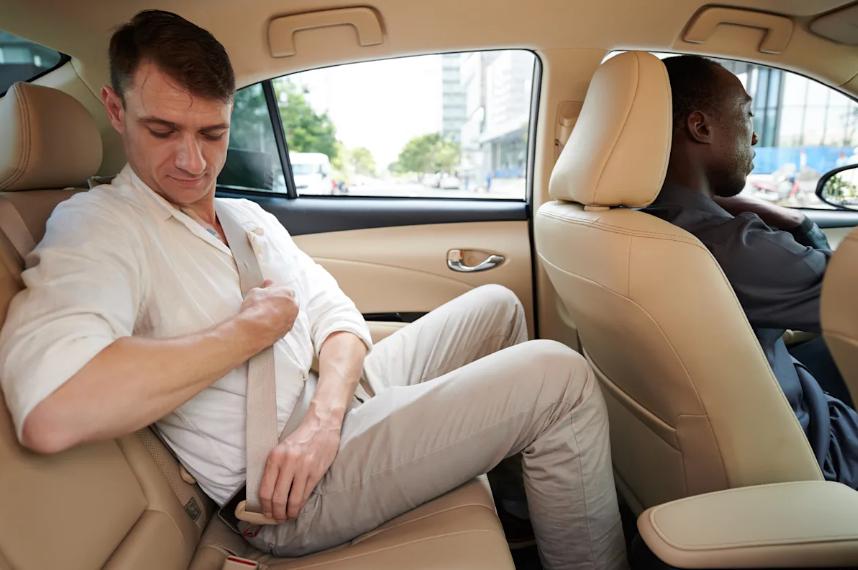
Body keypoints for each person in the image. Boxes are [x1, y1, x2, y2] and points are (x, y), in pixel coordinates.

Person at [0, 10, 627, 569]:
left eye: (212, 133)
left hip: (331, 414)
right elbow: (53, 405)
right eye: (163, 131)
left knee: (498, 306)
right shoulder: (99, 226)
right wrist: (246, 332)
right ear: (115, 110)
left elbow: (338, 317)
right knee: (560, 377)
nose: (193, 162)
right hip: (288, 491)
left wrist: (325, 420)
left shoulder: (246, 217)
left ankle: (529, 511)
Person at [645, 55, 858, 488]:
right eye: (746, 115)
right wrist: (802, 224)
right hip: (820, 452)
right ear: (700, 127)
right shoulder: (735, 246)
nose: (755, 134)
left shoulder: (639, 223)